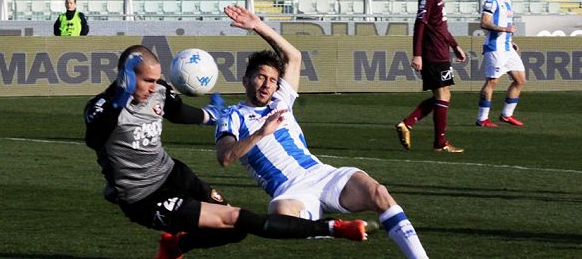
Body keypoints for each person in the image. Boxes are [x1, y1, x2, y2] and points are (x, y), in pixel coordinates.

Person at [85, 44, 370, 259]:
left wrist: (210, 115)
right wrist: (119, 98)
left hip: (173, 174)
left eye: (156, 80)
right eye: (146, 80)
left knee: (233, 230)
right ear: (125, 76)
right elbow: (95, 138)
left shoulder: (158, 90)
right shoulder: (100, 107)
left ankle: (176, 244)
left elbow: (177, 112)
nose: (153, 87)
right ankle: (334, 228)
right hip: (144, 197)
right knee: (235, 217)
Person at [216, 5, 425, 258]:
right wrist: (261, 132)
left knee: (378, 193)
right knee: (279, 216)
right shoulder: (232, 116)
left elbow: (294, 57)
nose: (267, 85)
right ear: (246, 79)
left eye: (272, 80)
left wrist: (258, 25)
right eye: (261, 77)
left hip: (323, 175)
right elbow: (225, 157)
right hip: (290, 191)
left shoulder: (281, 100)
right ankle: (333, 228)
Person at [396, 0, 468, 154]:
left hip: (441, 51)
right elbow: (419, 25)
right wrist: (417, 55)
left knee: (444, 95)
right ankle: (438, 142)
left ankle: (409, 124)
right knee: (442, 95)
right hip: (433, 53)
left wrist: (455, 46)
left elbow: (441, 28)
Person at [476, 0, 526, 128]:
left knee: (520, 80)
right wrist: (505, 29)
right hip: (495, 48)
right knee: (492, 81)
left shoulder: (508, 3)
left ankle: (506, 115)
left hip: (507, 48)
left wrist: (510, 41)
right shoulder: (492, 2)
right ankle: (482, 118)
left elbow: (506, 25)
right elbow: (484, 23)